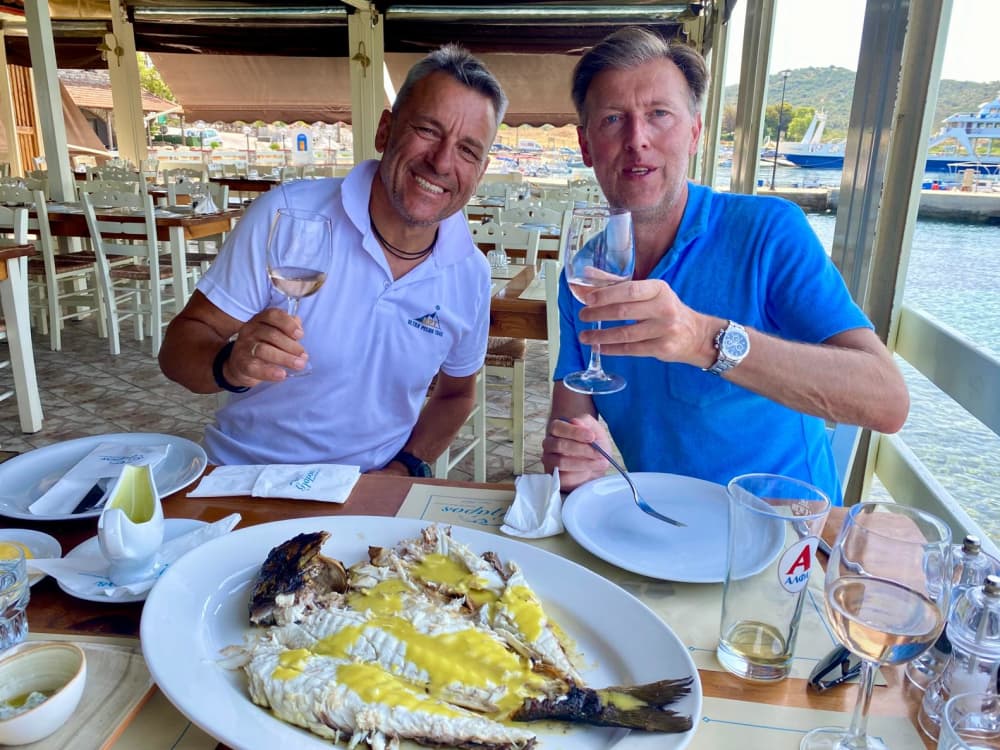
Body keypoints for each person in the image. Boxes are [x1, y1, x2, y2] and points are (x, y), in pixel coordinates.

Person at [542, 27, 908, 503]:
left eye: (659, 115)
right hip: (659, 532)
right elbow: (570, 429)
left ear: (694, 133)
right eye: (613, 119)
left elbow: (886, 400)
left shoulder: (768, 232)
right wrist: (578, 456)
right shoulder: (586, 271)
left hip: (781, 540)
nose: (638, 139)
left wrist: (703, 339)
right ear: (586, 145)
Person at [158, 45, 507, 476]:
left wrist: (403, 467)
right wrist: (228, 364)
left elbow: (457, 395)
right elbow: (177, 349)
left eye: (468, 151)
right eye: (428, 130)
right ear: (385, 131)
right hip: (246, 475)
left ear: (481, 170)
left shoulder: (469, 273)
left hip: (368, 487)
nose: (441, 161)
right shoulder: (287, 215)